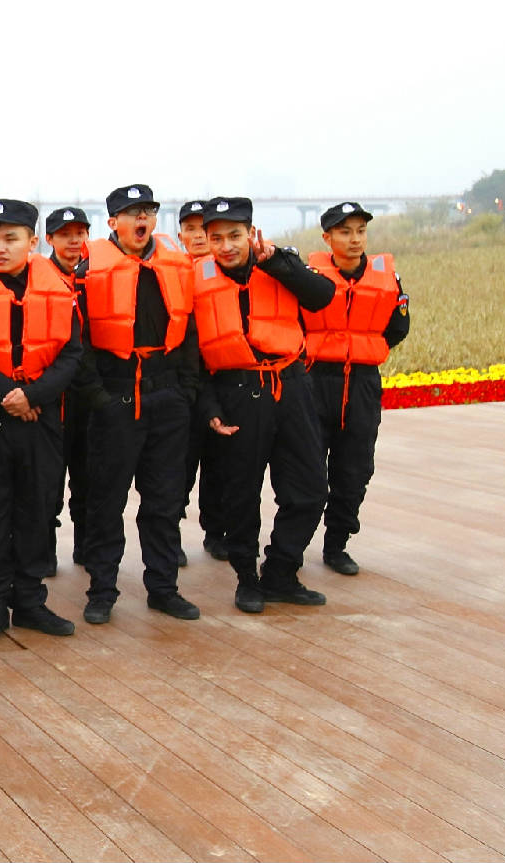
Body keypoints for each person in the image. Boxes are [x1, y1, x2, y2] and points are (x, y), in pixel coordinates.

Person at [0, 199, 82, 643]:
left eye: (10, 238)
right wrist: (9, 395)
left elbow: (72, 355)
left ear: (33, 241)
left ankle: (29, 602)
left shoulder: (59, 287)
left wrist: (33, 395)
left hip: (40, 417)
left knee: (37, 511)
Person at [193, 197, 335, 612]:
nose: (226, 246)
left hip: (291, 386)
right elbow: (191, 357)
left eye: (234, 236)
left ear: (250, 233)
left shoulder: (279, 264)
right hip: (237, 392)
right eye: (216, 238)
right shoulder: (195, 280)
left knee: (310, 489)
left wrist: (277, 262)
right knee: (240, 495)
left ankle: (281, 572)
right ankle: (247, 579)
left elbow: (321, 295)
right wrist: (209, 407)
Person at [70, 185, 202, 625]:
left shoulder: (176, 266)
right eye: (131, 213)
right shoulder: (89, 271)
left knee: (164, 501)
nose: (141, 218)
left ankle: (163, 589)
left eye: (147, 211)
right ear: (113, 223)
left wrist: (186, 390)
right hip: (116, 396)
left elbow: (189, 331)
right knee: (105, 502)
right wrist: (99, 398)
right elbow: (79, 342)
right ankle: (102, 591)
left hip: (167, 396)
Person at [302, 202, 410, 574]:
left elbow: (398, 327)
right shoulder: (309, 278)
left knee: (355, 471)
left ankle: (337, 546)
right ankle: (292, 547)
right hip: (316, 380)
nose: (355, 239)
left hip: (362, 383)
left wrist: (359, 347)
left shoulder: (388, 277)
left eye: (361, 231)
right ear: (327, 237)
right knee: (306, 472)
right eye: (345, 232)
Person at [176, 200, 227, 562]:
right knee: (177, 466)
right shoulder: (172, 272)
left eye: (203, 229)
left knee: (220, 463)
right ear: (180, 235)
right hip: (182, 382)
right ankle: (170, 535)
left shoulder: (230, 273)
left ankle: (216, 531)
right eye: (190, 229)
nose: (198, 236)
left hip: (221, 379)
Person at [43, 207, 92, 571]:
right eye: (64, 234)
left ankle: (86, 546)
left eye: (79, 233)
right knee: (47, 478)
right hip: (52, 393)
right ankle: (44, 549)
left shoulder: (97, 275)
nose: (73, 240)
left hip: (91, 393)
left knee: (89, 477)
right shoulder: (39, 279)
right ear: (49, 239)